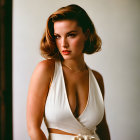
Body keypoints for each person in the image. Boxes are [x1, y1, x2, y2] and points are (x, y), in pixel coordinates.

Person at [26, 4, 110, 140]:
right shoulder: (46, 70)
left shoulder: (97, 78)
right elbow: (33, 128)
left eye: (71, 35)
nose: (63, 44)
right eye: (58, 36)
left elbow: (103, 128)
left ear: (86, 34)